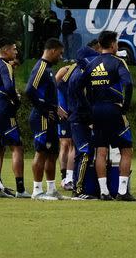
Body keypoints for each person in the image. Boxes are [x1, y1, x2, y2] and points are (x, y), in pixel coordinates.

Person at [77, 30, 136, 201]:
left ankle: (104, 192)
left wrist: (88, 108)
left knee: (101, 151)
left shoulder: (92, 63)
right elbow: (129, 84)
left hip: (96, 112)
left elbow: (78, 87)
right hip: (114, 110)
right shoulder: (118, 62)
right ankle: (122, 191)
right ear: (112, 45)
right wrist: (125, 106)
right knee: (126, 149)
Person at [0, 38, 28, 198]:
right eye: (14, 49)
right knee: (17, 147)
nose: (16, 52)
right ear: (5, 50)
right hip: (4, 111)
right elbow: (9, 87)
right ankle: (21, 189)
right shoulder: (5, 66)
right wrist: (15, 100)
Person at [26, 38, 65, 200]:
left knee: (52, 153)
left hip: (51, 116)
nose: (61, 57)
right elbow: (30, 90)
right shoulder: (41, 67)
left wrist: (56, 108)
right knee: (41, 152)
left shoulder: (48, 68)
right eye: (60, 53)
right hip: (41, 117)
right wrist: (43, 109)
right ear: (53, 50)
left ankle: (51, 189)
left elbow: (46, 93)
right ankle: (37, 190)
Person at [67, 42, 100, 200]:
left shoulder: (81, 73)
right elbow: (81, 102)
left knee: (83, 153)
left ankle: (81, 187)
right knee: (85, 153)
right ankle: (78, 190)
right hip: (80, 120)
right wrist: (89, 118)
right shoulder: (80, 76)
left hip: (79, 118)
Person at [55, 63, 76, 191]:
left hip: (74, 111)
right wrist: (57, 106)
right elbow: (52, 87)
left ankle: (71, 177)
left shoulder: (86, 69)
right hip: (63, 111)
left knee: (73, 143)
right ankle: (64, 177)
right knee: (65, 143)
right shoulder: (66, 70)